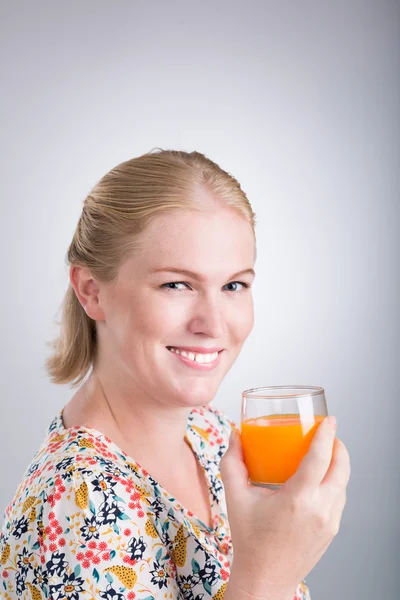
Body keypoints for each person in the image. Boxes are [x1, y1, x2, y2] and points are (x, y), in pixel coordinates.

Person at [0, 150, 350, 600]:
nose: (214, 323)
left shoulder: (210, 433)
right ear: (92, 291)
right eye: (176, 285)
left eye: (233, 286)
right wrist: (267, 579)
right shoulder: (79, 502)